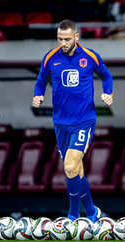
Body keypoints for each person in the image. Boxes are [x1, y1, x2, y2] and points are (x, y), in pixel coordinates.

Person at [32, 19, 113, 223]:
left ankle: (73, 215)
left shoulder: (90, 56)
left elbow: (106, 75)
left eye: (67, 39)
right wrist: (38, 95)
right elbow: (41, 81)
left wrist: (108, 93)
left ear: (77, 37)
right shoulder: (50, 57)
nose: (63, 43)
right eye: (60, 39)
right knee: (76, 170)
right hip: (60, 122)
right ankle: (93, 213)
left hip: (84, 120)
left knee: (69, 167)